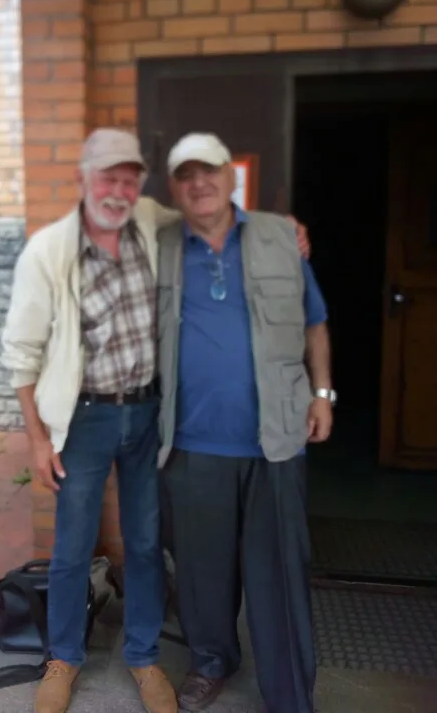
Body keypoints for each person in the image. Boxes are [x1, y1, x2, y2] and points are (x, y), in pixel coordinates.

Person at [2, 127, 311, 713]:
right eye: (107, 178)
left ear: (140, 185)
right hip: (84, 418)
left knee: (145, 543)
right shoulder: (47, 250)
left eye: (129, 179)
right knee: (72, 544)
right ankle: (64, 657)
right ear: (83, 179)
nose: (117, 191)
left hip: (148, 415)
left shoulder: (151, 222)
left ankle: (143, 657)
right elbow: (21, 352)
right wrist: (37, 439)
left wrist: (280, 228)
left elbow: (214, 217)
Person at [157, 133, 334, 713]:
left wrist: (323, 393)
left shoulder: (280, 235)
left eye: (209, 170)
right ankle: (212, 660)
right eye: (186, 175)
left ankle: (289, 694)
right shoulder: (159, 243)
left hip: (275, 438)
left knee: (280, 572)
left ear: (230, 175)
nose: (199, 183)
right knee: (201, 571)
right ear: (173, 188)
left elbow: (314, 321)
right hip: (190, 440)